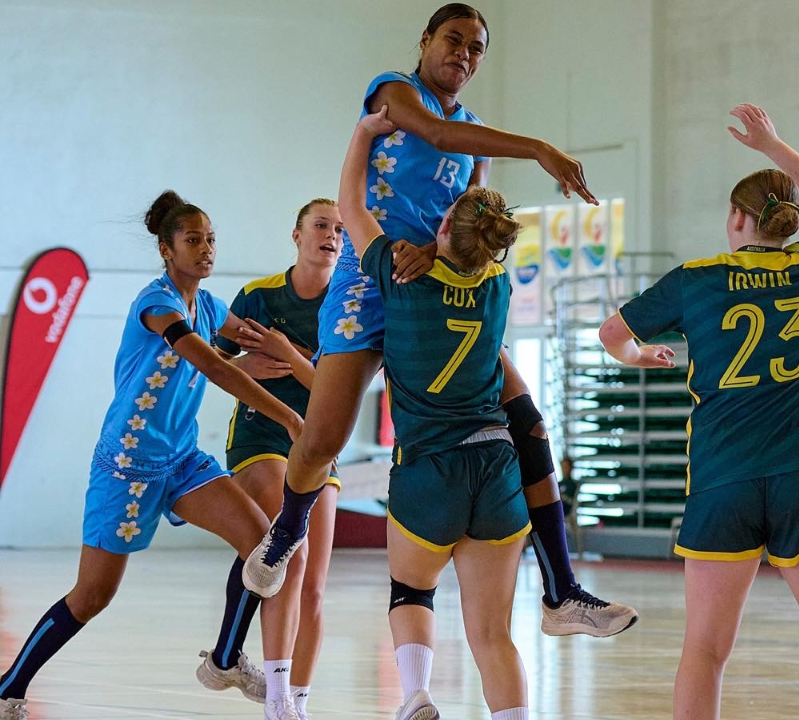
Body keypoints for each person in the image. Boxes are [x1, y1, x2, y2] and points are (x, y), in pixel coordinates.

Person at [243, 2, 636, 638]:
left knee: (529, 423)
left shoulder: (474, 132)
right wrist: (539, 148)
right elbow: (437, 135)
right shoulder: (394, 93)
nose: (465, 54)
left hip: (436, 288)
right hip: (369, 278)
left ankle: (562, 591)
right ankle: (288, 530)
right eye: (454, 39)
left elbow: (468, 213)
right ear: (425, 40)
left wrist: (437, 249)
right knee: (323, 440)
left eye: (477, 48)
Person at [598, 104, 799, 720]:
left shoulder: (696, 278)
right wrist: (773, 146)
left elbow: (610, 335)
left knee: (705, 650)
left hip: (722, 477)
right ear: (787, 220)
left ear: (736, 218)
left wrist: (640, 355)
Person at [0, 191, 304, 720]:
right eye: (192, 240)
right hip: (126, 467)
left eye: (211, 239)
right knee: (92, 596)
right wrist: (289, 417)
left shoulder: (210, 306)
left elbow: (256, 343)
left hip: (181, 460)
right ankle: (6, 688)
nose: (206, 248)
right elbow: (212, 364)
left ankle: (224, 660)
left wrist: (312, 354)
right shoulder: (157, 304)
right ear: (166, 250)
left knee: (261, 545)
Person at [344, 108, 531, 720]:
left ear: (442, 223)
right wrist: (481, 165)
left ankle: (416, 695)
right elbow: (475, 228)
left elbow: (352, 208)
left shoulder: (403, 274)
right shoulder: (498, 287)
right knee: (493, 635)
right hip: (497, 465)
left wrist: (364, 135)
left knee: (411, 589)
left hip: (430, 464)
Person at [195, 199, 344, 719]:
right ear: (297, 235)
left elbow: (337, 390)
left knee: (315, 589)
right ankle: (275, 698)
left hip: (319, 442)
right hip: (260, 435)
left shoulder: (348, 306)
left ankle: (297, 701)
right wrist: (247, 366)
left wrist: (288, 352)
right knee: (289, 554)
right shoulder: (258, 296)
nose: (332, 236)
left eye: (340, 229)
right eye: (321, 225)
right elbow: (209, 363)